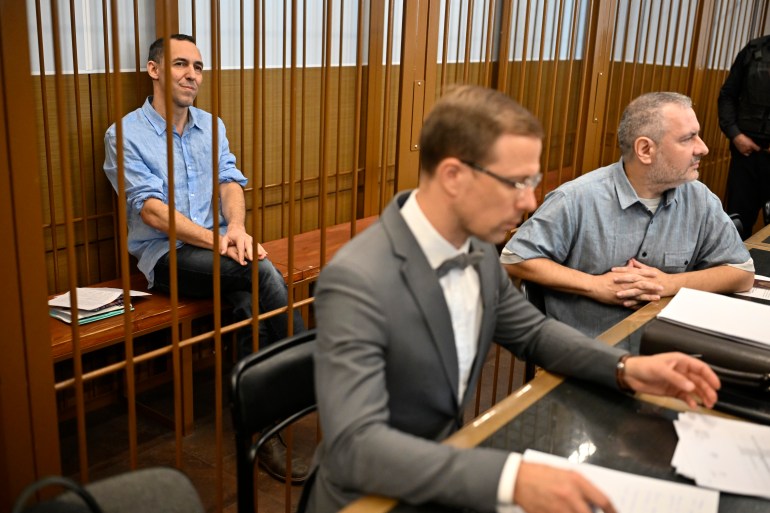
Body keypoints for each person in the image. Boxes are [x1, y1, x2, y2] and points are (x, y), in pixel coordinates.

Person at [302, 85, 721, 513]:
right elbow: (357, 448)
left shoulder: (477, 249)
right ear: (453, 176)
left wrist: (626, 368)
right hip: (368, 496)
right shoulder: (357, 279)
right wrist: (510, 477)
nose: (529, 201)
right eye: (516, 183)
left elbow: (534, 334)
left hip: (448, 467)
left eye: (533, 181)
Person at [103, 34, 307, 483]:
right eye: (180, 64)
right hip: (167, 257)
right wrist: (223, 245)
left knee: (249, 303)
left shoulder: (210, 125)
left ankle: (257, 427)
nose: (191, 75)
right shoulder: (125, 134)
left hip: (221, 248)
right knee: (258, 268)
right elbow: (153, 211)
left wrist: (235, 230)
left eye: (197, 66)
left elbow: (231, 181)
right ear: (154, 70)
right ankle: (309, 366)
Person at [502, 92, 754, 338]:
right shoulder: (576, 198)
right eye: (688, 138)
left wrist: (668, 283)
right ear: (645, 149)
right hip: (586, 353)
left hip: (667, 348)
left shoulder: (700, 198)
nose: (703, 148)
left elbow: (741, 273)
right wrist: (596, 286)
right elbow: (515, 258)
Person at [718, 34, 770, 240]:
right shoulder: (754, 49)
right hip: (746, 153)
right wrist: (735, 134)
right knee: (736, 223)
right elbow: (727, 95)